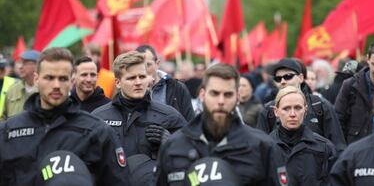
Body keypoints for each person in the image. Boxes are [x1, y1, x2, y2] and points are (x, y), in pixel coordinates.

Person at [0, 47, 128, 186]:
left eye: (62, 78)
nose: (56, 85)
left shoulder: (97, 132)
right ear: (37, 79)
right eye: (49, 77)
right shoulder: (8, 132)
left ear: (71, 80)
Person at [155, 63, 284, 185]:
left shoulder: (262, 147)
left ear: (237, 97)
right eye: (214, 93)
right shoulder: (173, 146)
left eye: (228, 95)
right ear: (202, 95)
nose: (221, 101)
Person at [92, 51, 187, 183]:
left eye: (142, 77)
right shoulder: (98, 118)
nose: (138, 82)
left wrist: (170, 143)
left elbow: (188, 159)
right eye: (131, 78)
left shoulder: (169, 115)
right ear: (118, 83)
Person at [256, 58, 346, 152]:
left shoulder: (320, 105)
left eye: (288, 76)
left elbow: (338, 146)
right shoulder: (268, 110)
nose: (282, 81)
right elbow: (260, 149)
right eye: (278, 78)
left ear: (301, 78)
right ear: (276, 111)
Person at [335, 42, 374, 144]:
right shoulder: (350, 85)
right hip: (356, 150)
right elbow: (337, 121)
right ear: (368, 60)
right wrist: (344, 151)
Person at [270, 86, 337, 185]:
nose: (292, 114)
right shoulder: (264, 148)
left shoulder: (324, 148)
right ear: (276, 111)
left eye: (297, 108)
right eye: (286, 108)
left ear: (305, 110)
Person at [136, 45, 195, 121]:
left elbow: (190, 124)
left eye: (148, 65)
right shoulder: (129, 88)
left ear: (157, 64)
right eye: (139, 66)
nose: (143, 70)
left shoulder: (177, 88)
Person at [1, 50, 40, 121]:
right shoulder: (12, 90)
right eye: (20, 63)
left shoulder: (44, 90)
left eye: (25, 63)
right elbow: (4, 118)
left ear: (37, 66)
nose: (20, 67)